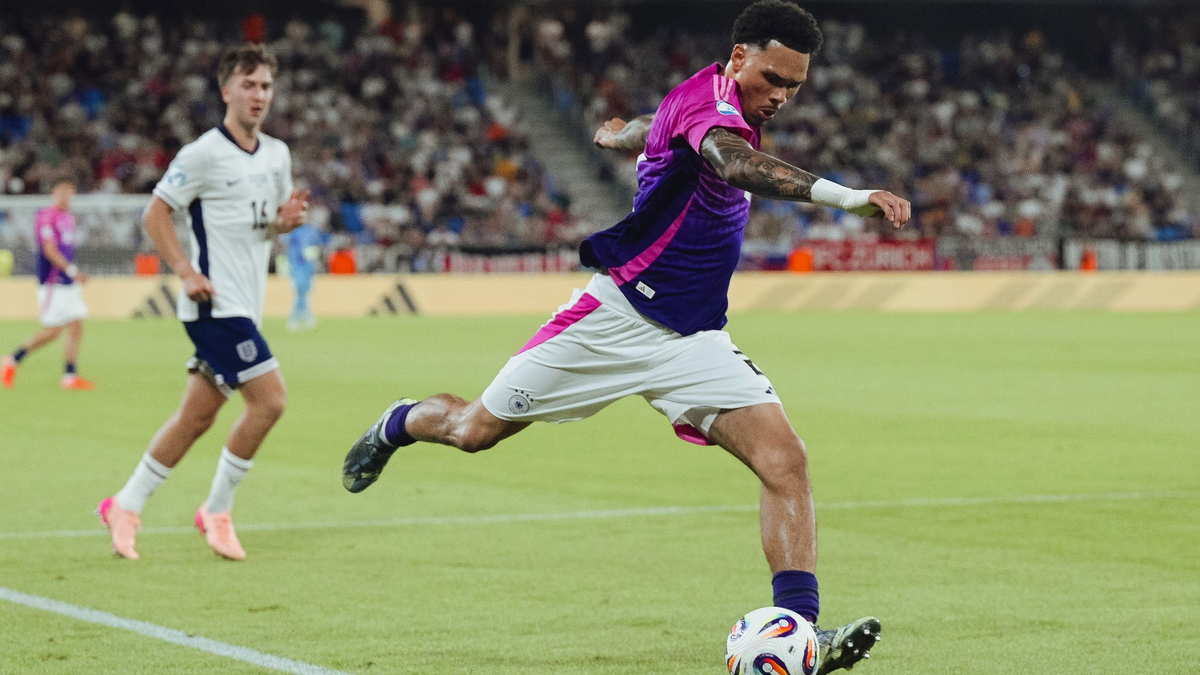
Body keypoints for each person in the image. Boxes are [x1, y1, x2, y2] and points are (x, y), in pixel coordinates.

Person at [342, 2, 908, 671]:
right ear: (739, 57)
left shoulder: (706, 102)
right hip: (613, 321)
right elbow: (732, 164)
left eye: (794, 86)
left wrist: (623, 137)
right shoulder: (712, 112)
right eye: (773, 78)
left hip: (694, 340)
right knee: (472, 431)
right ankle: (399, 422)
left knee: (786, 461)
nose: (781, 95)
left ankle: (800, 634)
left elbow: (656, 124)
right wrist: (849, 197)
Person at [97, 43, 309, 561]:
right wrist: (186, 272)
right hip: (215, 305)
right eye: (248, 84)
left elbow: (266, 225)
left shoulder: (277, 155)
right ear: (225, 90)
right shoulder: (202, 154)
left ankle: (125, 504)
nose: (259, 95)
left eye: (266, 86)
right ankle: (217, 510)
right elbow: (155, 214)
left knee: (196, 417)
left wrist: (284, 223)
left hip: (247, 303)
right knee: (271, 401)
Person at [2, 180, 94, 391]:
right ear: (54, 193)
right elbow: (50, 250)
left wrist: (72, 273)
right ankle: (12, 359)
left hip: (68, 282)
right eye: (62, 192)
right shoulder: (46, 217)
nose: (66, 196)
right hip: (53, 282)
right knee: (53, 331)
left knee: (76, 326)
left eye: (69, 192)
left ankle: (69, 376)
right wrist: (72, 271)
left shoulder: (68, 217)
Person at [285, 222, 321, 331]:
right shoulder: (296, 233)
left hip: (306, 269)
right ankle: (300, 318)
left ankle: (299, 318)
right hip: (298, 268)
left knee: (303, 295)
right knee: (301, 294)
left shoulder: (308, 232)